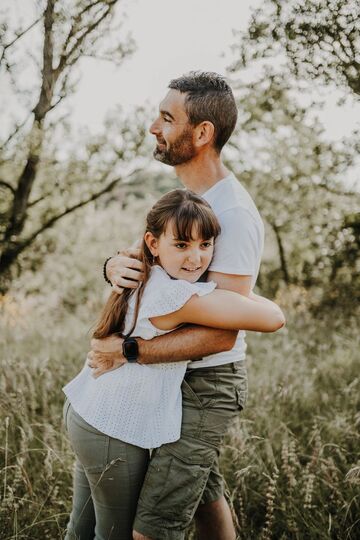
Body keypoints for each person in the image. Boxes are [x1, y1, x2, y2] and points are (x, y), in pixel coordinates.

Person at [89, 72, 278, 540]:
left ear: (202, 134)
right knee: (203, 495)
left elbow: (222, 332)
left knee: (153, 527)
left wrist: (127, 351)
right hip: (174, 374)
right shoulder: (190, 202)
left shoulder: (232, 213)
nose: (154, 127)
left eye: (167, 118)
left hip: (205, 383)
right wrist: (114, 265)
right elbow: (151, 262)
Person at [63, 189, 285, 540]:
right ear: (152, 243)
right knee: (114, 534)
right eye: (181, 245)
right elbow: (273, 317)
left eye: (205, 245)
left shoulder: (149, 275)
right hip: (111, 428)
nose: (195, 259)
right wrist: (231, 286)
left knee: (81, 529)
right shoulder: (175, 296)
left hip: (90, 413)